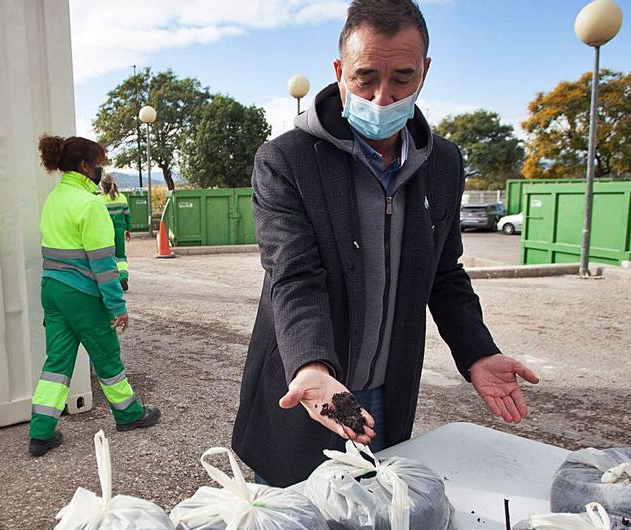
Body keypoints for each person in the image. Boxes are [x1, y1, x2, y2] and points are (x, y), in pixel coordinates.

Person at [231, 0, 539, 486]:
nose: (381, 98)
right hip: (310, 387)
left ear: (425, 72)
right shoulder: (286, 160)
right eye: (365, 77)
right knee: (290, 524)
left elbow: (445, 272)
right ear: (338, 70)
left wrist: (477, 351)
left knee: (372, 525)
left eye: (402, 78)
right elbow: (292, 275)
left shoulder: (443, 163)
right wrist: (311, 365)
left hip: (385, 388)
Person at [28, 135, 160, 457]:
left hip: (52, 289)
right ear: (85, 166)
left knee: (57, 361)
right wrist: (118, 307)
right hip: (82, 294)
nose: (100, 169)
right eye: (98, 163)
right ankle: (129, 414)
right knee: (107, 355)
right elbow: (104, 265)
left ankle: (41, 432)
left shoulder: (55, 199)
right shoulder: (90, 204)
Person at [99, 174, 132, 292]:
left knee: (108, 256)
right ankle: (123, 277)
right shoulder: (122, 198)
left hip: (105, 231)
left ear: (102, 187)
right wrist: (128, 229)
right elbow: (128, 216)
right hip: (120, 229)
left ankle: (111, 281)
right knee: (121, 256)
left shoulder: (100, 200)